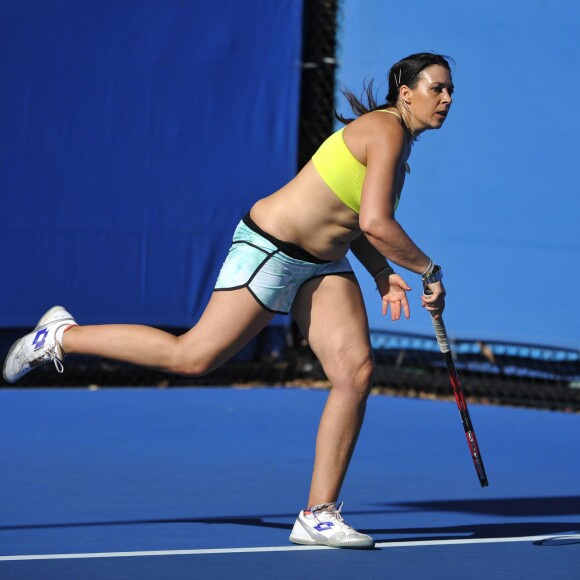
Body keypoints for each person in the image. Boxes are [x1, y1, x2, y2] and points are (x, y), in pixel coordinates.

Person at [3, 52, 452, 549]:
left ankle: (317, 514)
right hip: (272, 251)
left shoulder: (399, 145)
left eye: (451, 91)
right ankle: (62, 335)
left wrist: (384, 273)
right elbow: (375, 222)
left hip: (323, 263)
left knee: (355, 373)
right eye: (437, 88)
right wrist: (427, 271)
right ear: (405, 92)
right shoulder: (385, 130)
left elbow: (354, 220)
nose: (447, 99)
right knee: (192, 357)